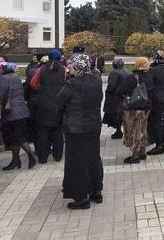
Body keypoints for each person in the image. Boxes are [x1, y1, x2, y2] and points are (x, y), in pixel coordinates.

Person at [55, 54, 104, 210]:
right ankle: (96, 190)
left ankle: (81, 198)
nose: (69, 68)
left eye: (71, 66)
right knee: (93, 157)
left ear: (78, 67)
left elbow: (59, 101)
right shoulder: (96, 81)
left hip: (76, 129)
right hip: (93, 126)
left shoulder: (72, 84)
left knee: (77, 162)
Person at [30, 50, 67, 164]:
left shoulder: (41, 69)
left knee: (43, 132)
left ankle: (43, 158)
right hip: (58, 104)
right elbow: (67, 83)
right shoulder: (64, 69)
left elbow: (33, 83)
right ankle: (57, 156)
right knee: (58, 132)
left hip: (43, 103)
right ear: (60, 57)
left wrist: (42, 89)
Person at [0, 62, 36, 170]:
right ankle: (15, 160)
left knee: (18, 137)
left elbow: (0, 95)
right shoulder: (16, 77)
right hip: (22, 111)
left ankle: (30, 156)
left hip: (12, 113)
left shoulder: (3, 79)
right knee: (16, 138)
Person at [116, 57, 154, 164]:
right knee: (143, 129)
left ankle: (135, 156)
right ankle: (142, 152)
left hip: (134, 109)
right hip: (146, 108)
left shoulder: (133, 77)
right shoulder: (149, 76)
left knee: (134, 131)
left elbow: (119, 91)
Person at [146, 50, 164, 155]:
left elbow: (149, 85)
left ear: (156, 58)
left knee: (157, 122)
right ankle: (163, 144)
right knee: (162, 121)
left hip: (157, 99)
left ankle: (159, 146)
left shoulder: (153, 70)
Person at [102, 58, 129, 139]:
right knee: (121, 115)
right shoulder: (126, 71)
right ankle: (120, 131)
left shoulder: (114, 73)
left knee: (115, 115)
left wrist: (108, 91)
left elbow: (111, 85)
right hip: (124, 96)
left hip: (115, 97)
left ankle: (118, 131)